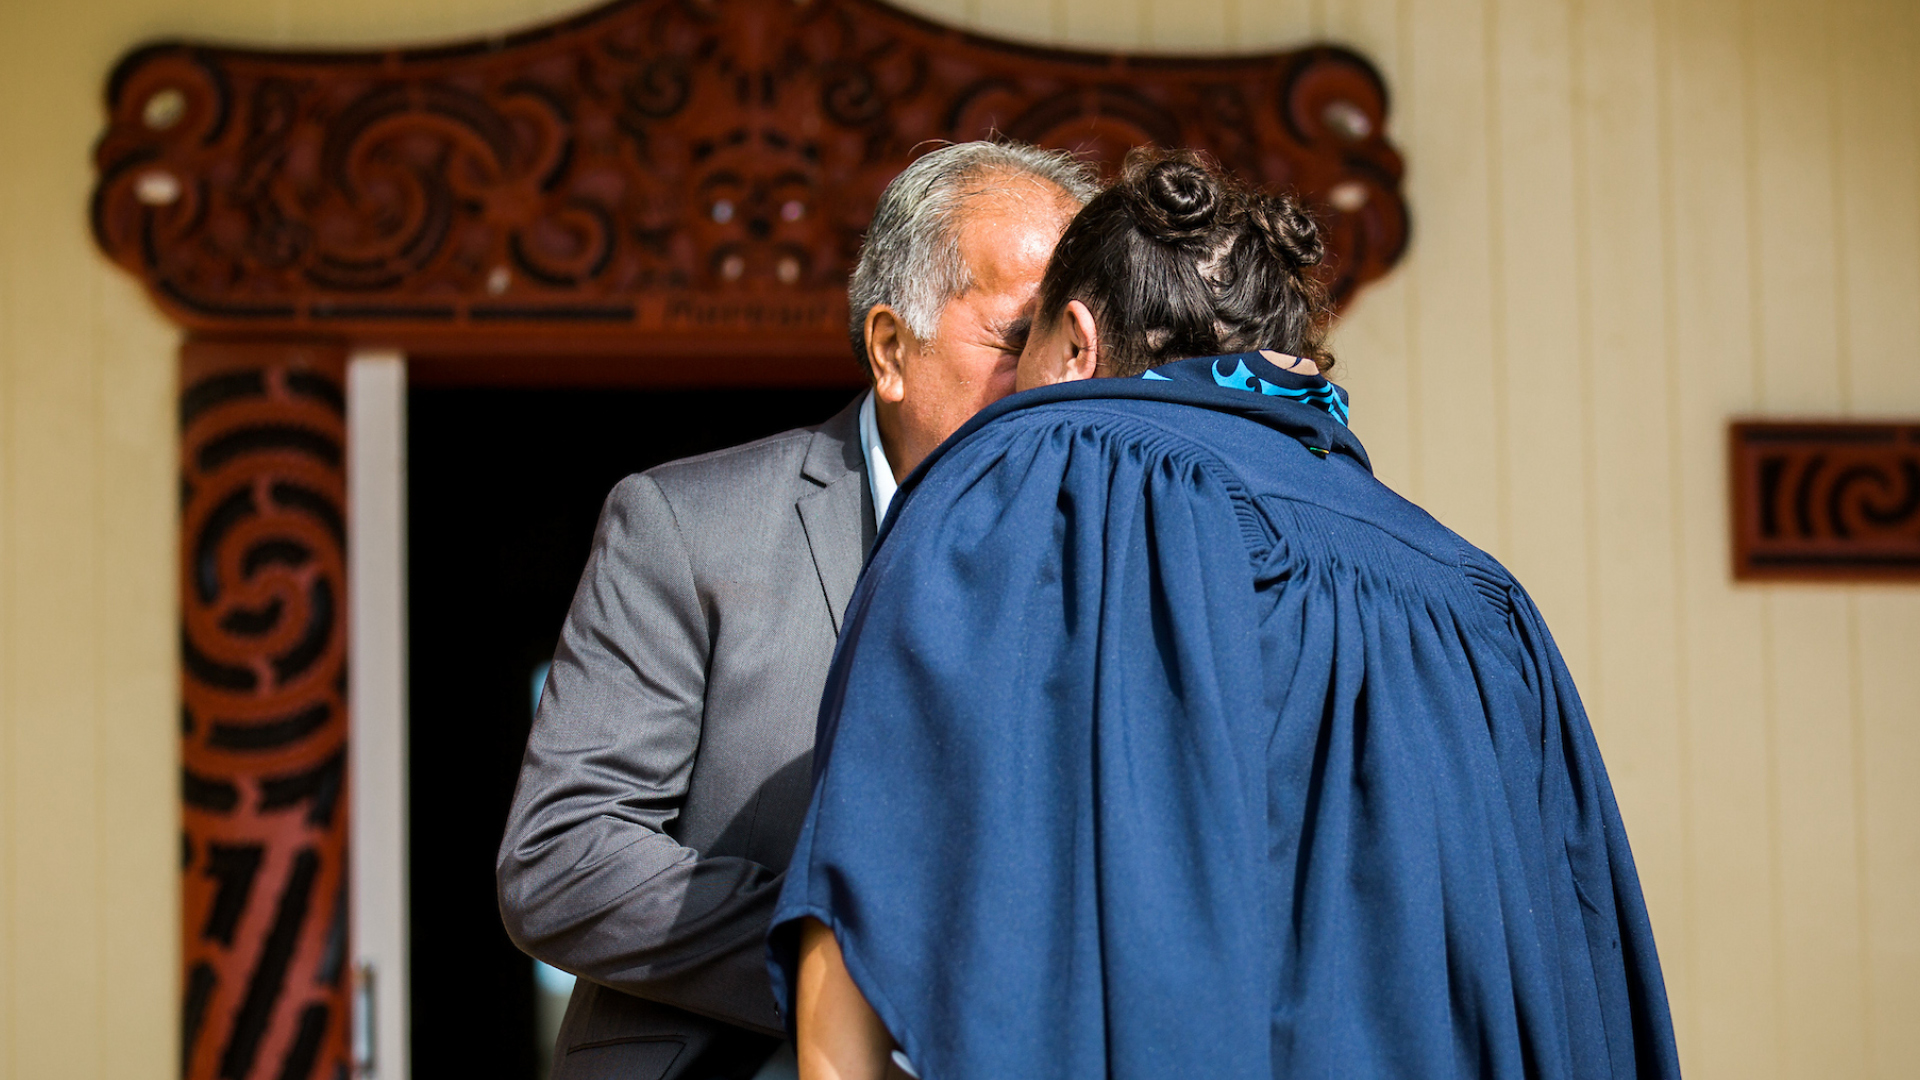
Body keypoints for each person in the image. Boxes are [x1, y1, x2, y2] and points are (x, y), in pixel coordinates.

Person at [770, 149, 1683, 1080]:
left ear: (1078, 343)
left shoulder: (1026, 472)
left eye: (1024, 347)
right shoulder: (1481, 598)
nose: (1010, 393)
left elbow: (857, 938)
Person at [496, 141, 1094, 1080]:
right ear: (893, 350)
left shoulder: (1112, 557)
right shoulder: (688, 528)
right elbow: (562, 859)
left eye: (1081, 346)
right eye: (1019, 342)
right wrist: (855, 971)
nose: (1061, 383)